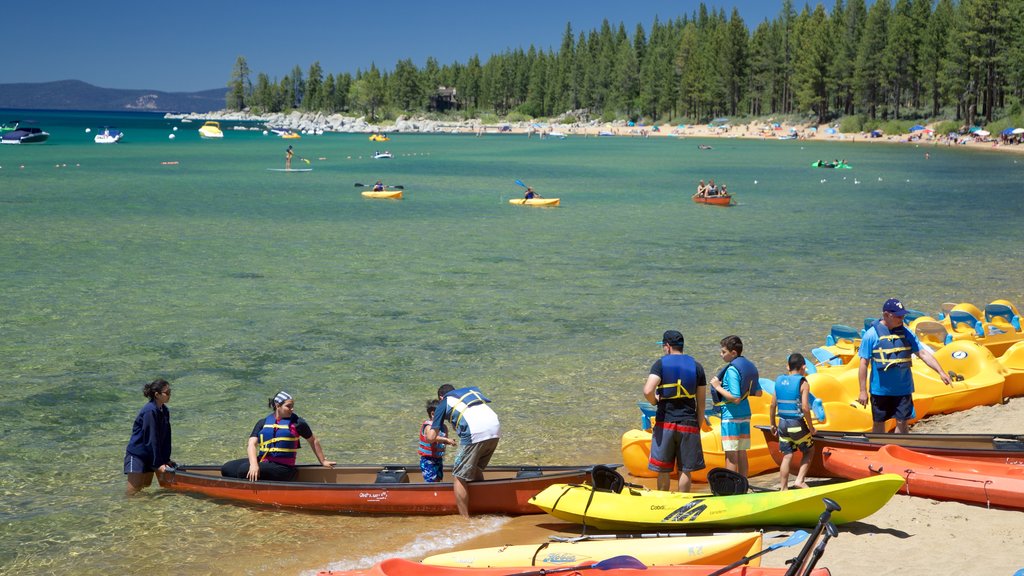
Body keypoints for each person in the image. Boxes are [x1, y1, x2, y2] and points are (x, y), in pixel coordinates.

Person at [858, 298, 953, 433]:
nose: (901, 318)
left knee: (902, 422)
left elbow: (922, 353)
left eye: (902, 315)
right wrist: (862, 391)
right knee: (879, 423)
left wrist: (941, 372)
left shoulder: (907, 333)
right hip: (880, 390)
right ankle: (877, 449)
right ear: (886, 315)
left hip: (903, 389)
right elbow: (863, 363)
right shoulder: (871, 335)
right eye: (898, 316)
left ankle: (899, 448)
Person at [642, 330, 709, 492]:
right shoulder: (697, 366)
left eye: (663, 347)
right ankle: (682, 504)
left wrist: (655, 401)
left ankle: (663, 504)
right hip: (689, 423)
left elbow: (647, 391)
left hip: (666, 422)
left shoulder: (660, 364)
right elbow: (701, 403)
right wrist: (698, 425)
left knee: (663, 469)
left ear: (667, 346)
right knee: (685, 469)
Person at [221, 391, 336, 482]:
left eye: (292, 406)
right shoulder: (263, 422)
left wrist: (323, 461)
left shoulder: (298, 423)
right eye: (288, 406)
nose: (292, 409)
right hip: (265, 462)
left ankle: (256, 485)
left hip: (284, 469)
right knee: (227, 468)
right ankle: (255, 481)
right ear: (277, 406)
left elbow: (313, 440)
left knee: (242, 470)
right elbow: (251, 444)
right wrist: (254, 465)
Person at [424, 384, 500, 517]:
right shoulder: (467, 393)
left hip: (475, 433)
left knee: (459, 476)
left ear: (441, 397)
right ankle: (483, 508)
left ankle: (465, 520)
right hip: (495, 429)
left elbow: (430, 438)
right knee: (476, 469)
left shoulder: (444, 403)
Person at [709, 335, 763, 479]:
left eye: (723, 352)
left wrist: (717, 387)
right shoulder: (748, 367)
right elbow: (758, 392)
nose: (721, 355)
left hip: (731, 417)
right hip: (745, 415)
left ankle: (731, 487)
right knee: (741, 451)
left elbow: (736, 398)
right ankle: (743, 483)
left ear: (733, 353)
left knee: (731, 454)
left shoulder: (732, 370)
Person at [771, 353, 816, 490]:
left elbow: (773, 405)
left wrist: (772, 424)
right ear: (803, 367)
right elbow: (805, 408)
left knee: (787, 455)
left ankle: (783, 488)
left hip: (782, 424)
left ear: (787, 367)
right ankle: (800, 480)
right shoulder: (803, 383)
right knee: (809, 450)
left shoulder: (778, 381)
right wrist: (811, 427)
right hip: (796, 424)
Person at [124, 379, 174, 495]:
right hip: (137, 455)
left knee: (145, 488)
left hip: (149, 455)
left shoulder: (164, 410)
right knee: (133, 492)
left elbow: (166, 437)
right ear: (157, 395)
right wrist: (158, 464)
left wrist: (166, 459)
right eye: (167, 392)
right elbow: (151, 439)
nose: (170, 395)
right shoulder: (149, 411)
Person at [418, 399, 457, 482]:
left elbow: (440, 441)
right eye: (442, 414)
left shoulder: (444, 427)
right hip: (428, 459)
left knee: (439, 479)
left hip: (438, 459)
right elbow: (431, 438)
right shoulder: (428, 426)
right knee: (431, 480)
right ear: (433, 414)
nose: (445, 417)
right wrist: (446, 439)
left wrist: (449, 441)